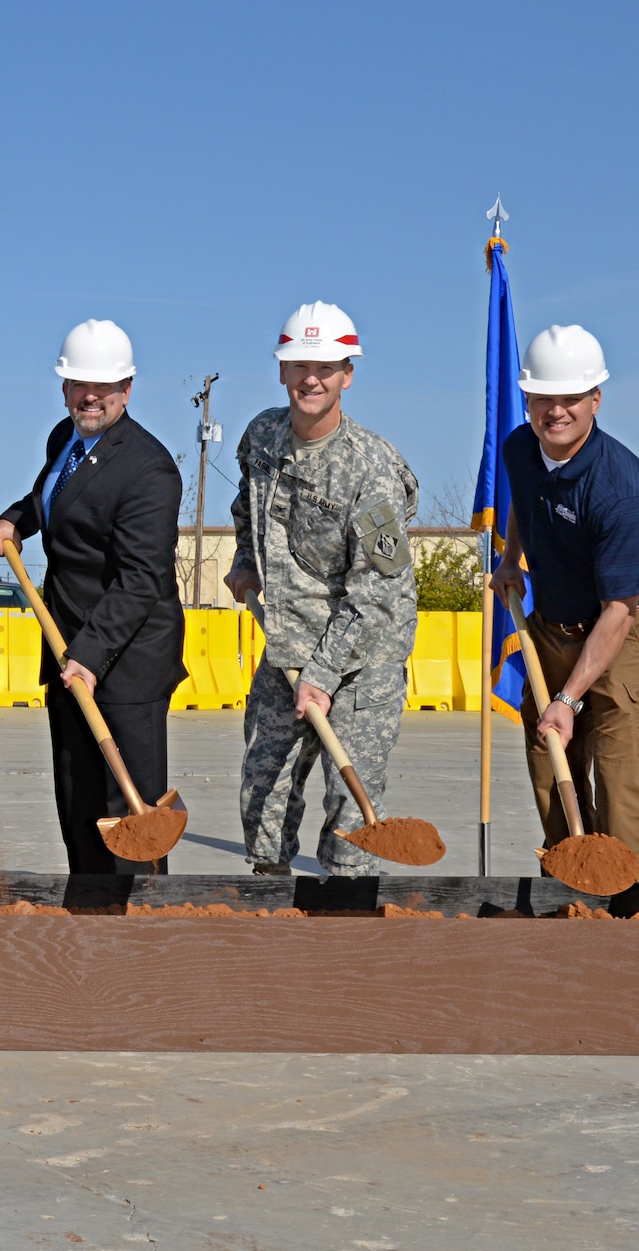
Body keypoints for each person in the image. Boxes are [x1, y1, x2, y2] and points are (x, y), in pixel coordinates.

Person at [225, 302, 418, 876]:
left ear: (347, 375)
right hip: (286, 644)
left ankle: (347, 929)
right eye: (299, 364)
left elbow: (378, 594)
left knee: (350, 816)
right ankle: (269, 910)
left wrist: (324, 676)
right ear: (282, 370)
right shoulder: (261, 436)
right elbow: (247, 509)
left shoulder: (371, 471)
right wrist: (244, 561)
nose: (312, 378)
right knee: (262, 793)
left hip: (361, 661)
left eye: (326, 367)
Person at [0, 320, 185, 873]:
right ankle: (87, 922)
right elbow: (53, 494)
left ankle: (141, 932)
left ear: (127, 388)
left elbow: (142, 578)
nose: (89, 396)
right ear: (64, 386)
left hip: (126, 663)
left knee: (127, 813)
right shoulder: (64, 438)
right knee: (76, 801)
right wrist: (17, 519)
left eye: (103, 386)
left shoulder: (149, 469)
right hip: (68, 645)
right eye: (78, 384)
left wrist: (90, 656)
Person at [489, 325, 639, 884]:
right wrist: (510, 559)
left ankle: (625, 909)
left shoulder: (623, 493)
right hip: (552, 626)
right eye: (544, 397)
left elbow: (619, 612)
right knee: (552, 768)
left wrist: (569, 697)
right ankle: (568, 893)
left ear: (596, 399)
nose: (556, 411)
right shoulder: (520, 447)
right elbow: (523, 496)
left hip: (624, 635)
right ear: (527, 399)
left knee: (620, 789)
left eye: (571, 398)